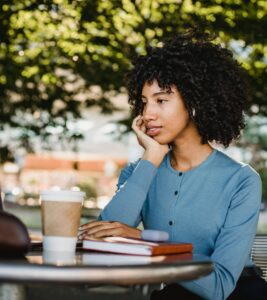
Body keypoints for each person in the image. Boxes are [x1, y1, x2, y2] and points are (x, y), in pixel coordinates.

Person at [79, 29, 267, 299]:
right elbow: (103, 239)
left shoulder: (241, 180)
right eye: (144, 103)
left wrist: (144, 239)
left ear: (194, 103)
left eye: (161, 100)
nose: (147, 114)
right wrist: (152, 158)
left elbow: (220, 286)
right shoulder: (140, 171)